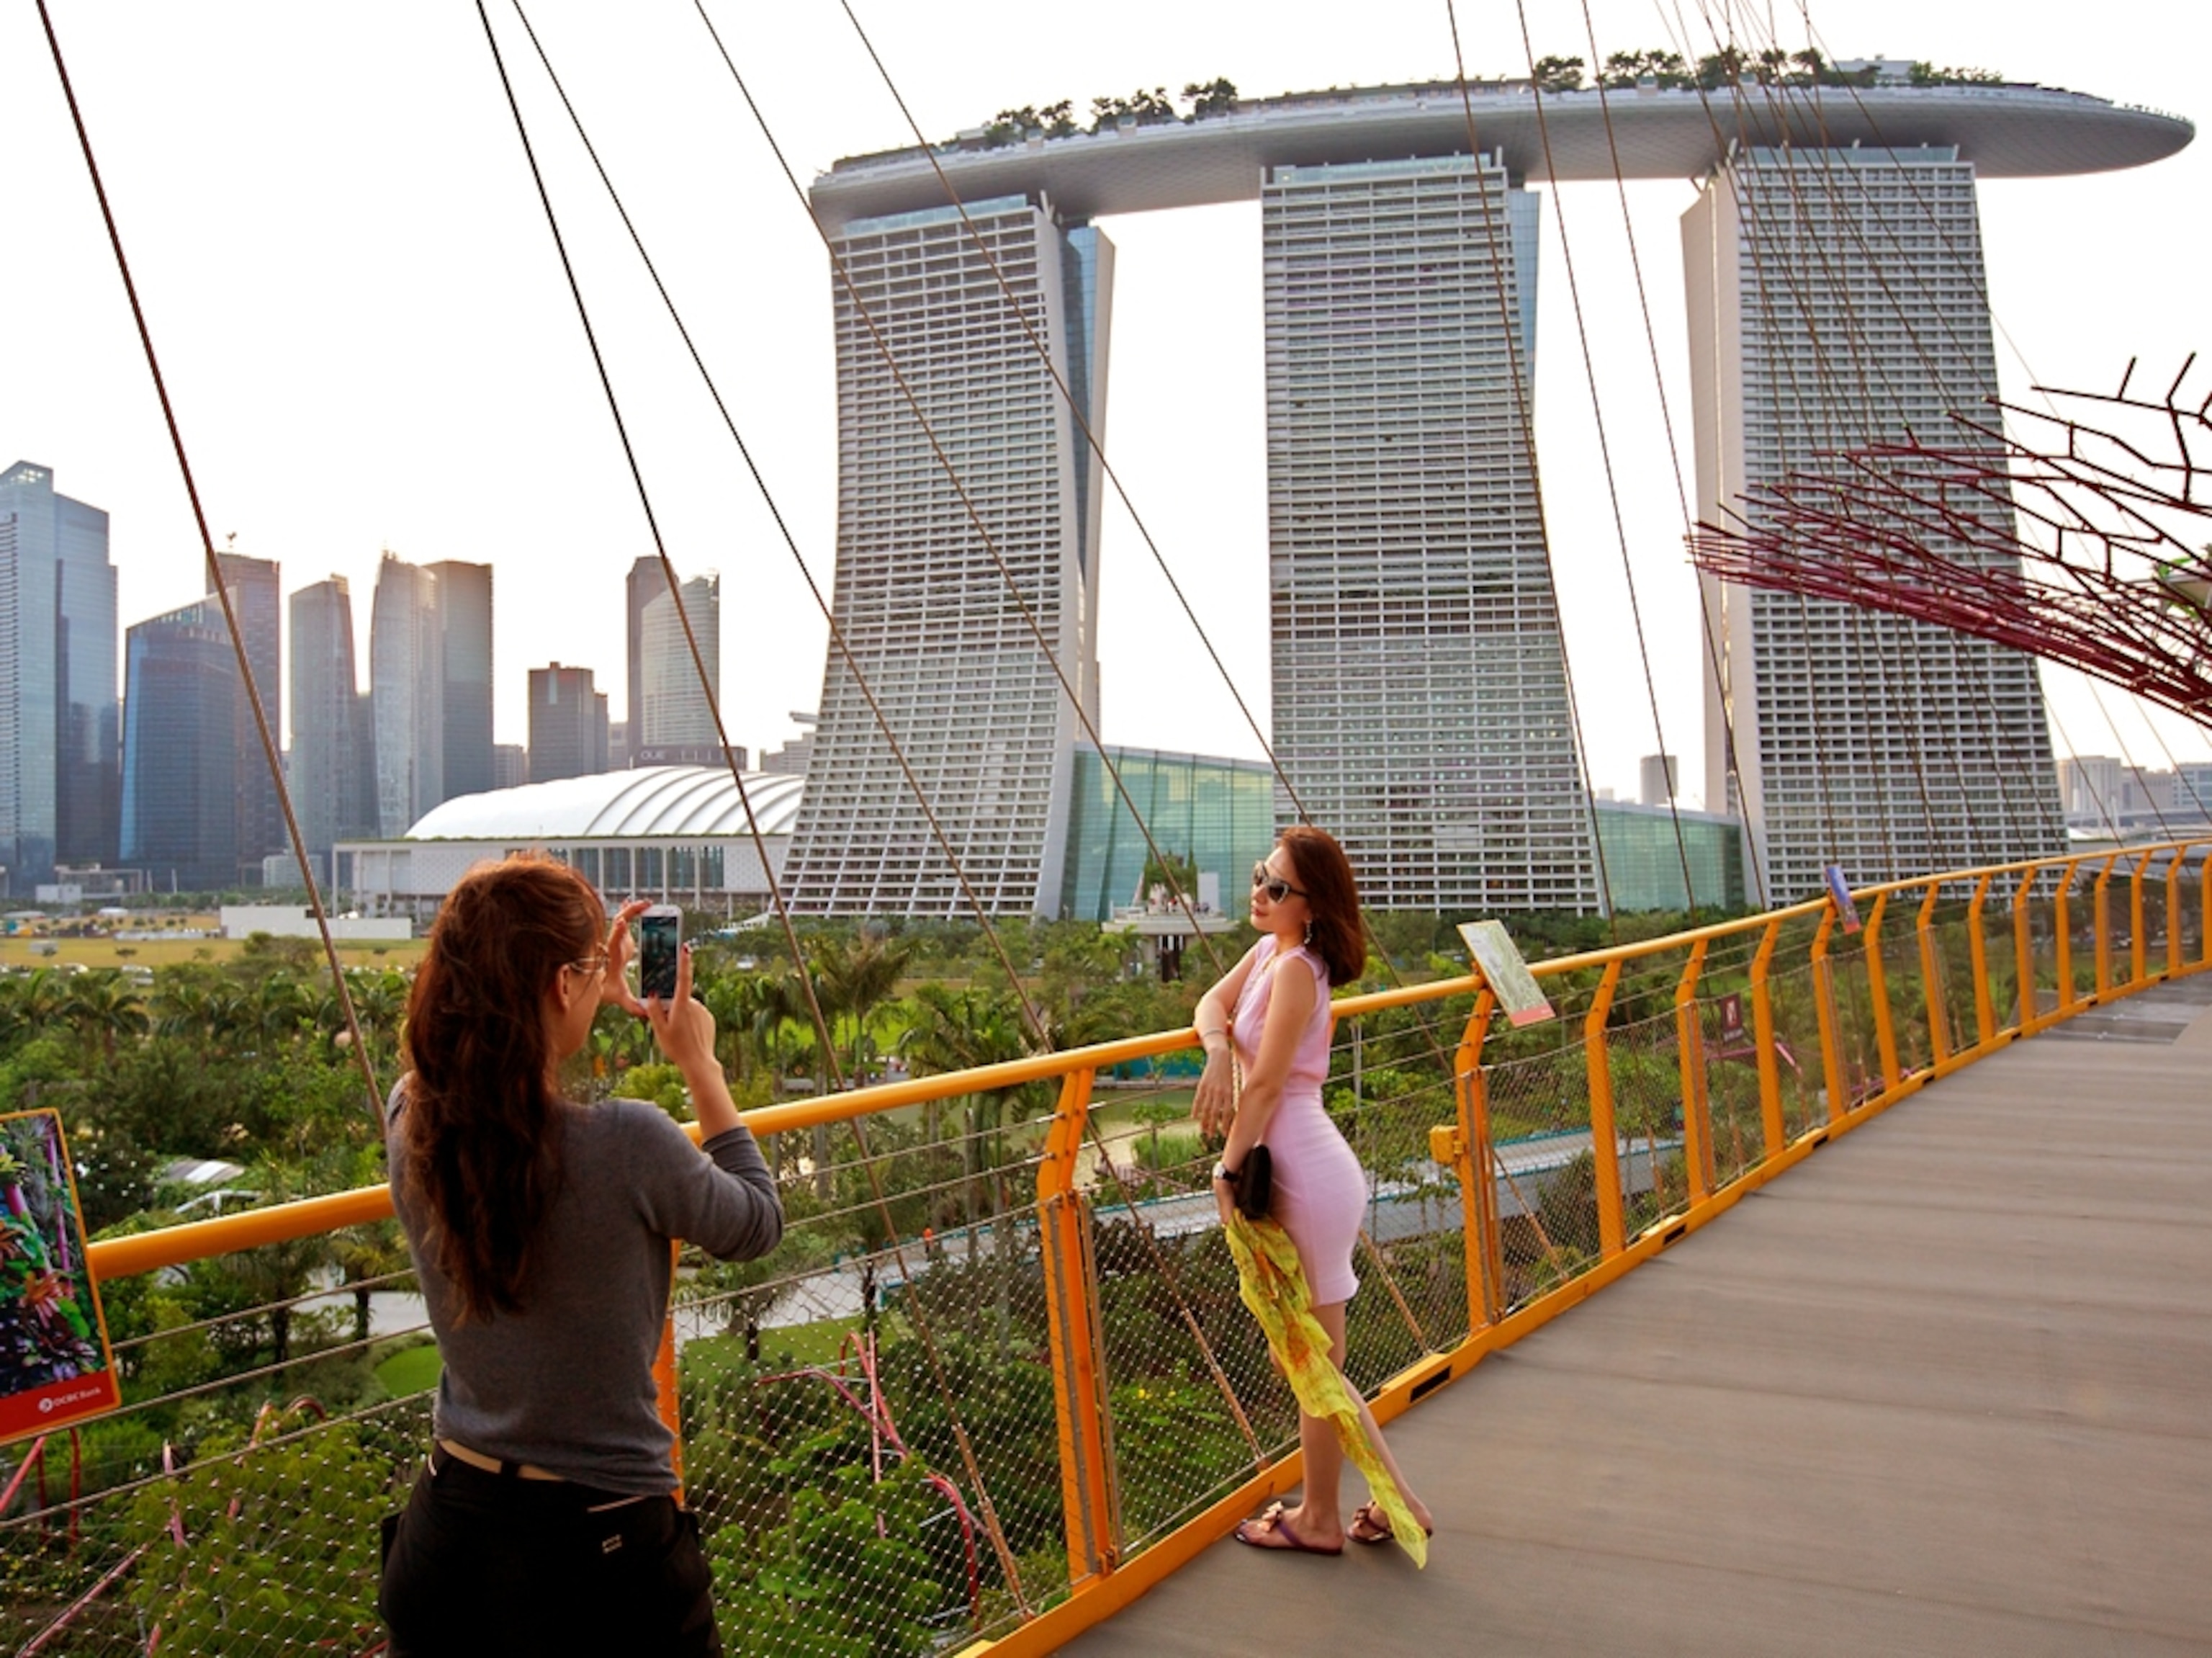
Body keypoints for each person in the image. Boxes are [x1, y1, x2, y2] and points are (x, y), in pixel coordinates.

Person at [377, 856, 783, 1656]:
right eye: (590, 967)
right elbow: (756, 1223)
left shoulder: (414, 1118)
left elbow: (485, 1092)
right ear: (562, 984)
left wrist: (590, 975)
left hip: (450, 1533)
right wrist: (699, 1063)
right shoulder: (629, 1143)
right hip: (602, 1550)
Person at [1192, 825, 1434, 1555]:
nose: (1259, 894)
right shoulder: (1270, 952)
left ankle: (1331, 1516)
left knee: (1311, 1360)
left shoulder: (1297, 969)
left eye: (1277, 887)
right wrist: (1215, 1051)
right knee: (1305, 1359)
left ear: (1312, 904)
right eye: (1260, 875)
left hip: (1303, 1171)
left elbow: (1267, 1083)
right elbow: (1209, 1004)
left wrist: (1226, 1171)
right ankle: (1383, 1504)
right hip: (1297, 1162)